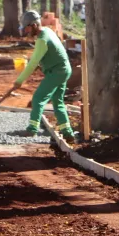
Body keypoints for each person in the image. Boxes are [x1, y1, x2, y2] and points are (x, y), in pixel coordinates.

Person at [12, 10, 75, 141]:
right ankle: (68, 132)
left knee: (38, 98)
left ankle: (32, 129)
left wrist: (19, 80)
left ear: (34, 25)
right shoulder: (48, 31)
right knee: (58, 101)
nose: (26, 31)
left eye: (27, 28)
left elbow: (33, 63)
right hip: (64, 69)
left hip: (57, 71)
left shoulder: (42, 39)